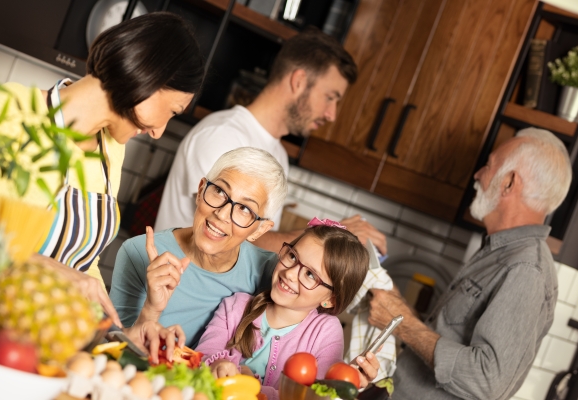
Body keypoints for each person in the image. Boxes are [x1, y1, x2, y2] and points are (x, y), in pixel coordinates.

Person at [0, 12, 205, 351]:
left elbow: (81, 264)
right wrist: (52, 271)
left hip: (41, 345)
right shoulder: (13, 110)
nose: (158, 131)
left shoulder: (111, 151)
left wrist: (123, 334)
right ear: (149, 80)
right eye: (172, 111)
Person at [110, 147, 381, 383]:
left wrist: (348, 382)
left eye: (244, 210)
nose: (222, 215)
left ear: (259, 229)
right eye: (219, 192)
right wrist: (151, 312)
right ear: (201, 190)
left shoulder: (272, 273)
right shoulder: (138, 253)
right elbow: (110, 355)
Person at [367, 127, 572, 399]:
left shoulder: (526, 270)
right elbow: (447, 339)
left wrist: (401, 323)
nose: (477, 175)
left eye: (488, 166)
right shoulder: (499, 253)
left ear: (509, 182)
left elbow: (486, 380)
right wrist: (399, 309)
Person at [153, 27, 388, 256]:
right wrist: (331, 235)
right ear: (298, 81)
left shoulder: (278, 156)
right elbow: (235, 239)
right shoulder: (223, 135)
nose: (331, 114)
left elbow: (255, 244)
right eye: (330, 98)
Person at [196, 220, 369, 400]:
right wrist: (219, 365)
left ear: (330, 299)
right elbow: (202, 355)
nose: (290, 273)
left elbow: (315, 396)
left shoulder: (325, 331)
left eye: (310, 275)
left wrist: (251, 387)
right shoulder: (235, 306)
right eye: (293, 257)